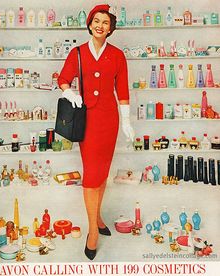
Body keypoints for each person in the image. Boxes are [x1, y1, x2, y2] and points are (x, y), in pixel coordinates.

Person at [57, 4, 134, 260]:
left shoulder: (118, 55)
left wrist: (126, 122)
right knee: (91, 175)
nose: (100, 25)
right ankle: (93, 232)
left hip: (109, 121)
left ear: (110, 28)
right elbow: (63, 79)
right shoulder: (77, 52)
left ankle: (98, 217)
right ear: (89, 24)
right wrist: (69, 93)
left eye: (105, 22)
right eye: (96, 21)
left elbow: (122, 91)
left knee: (101, 173)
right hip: (87, 121)